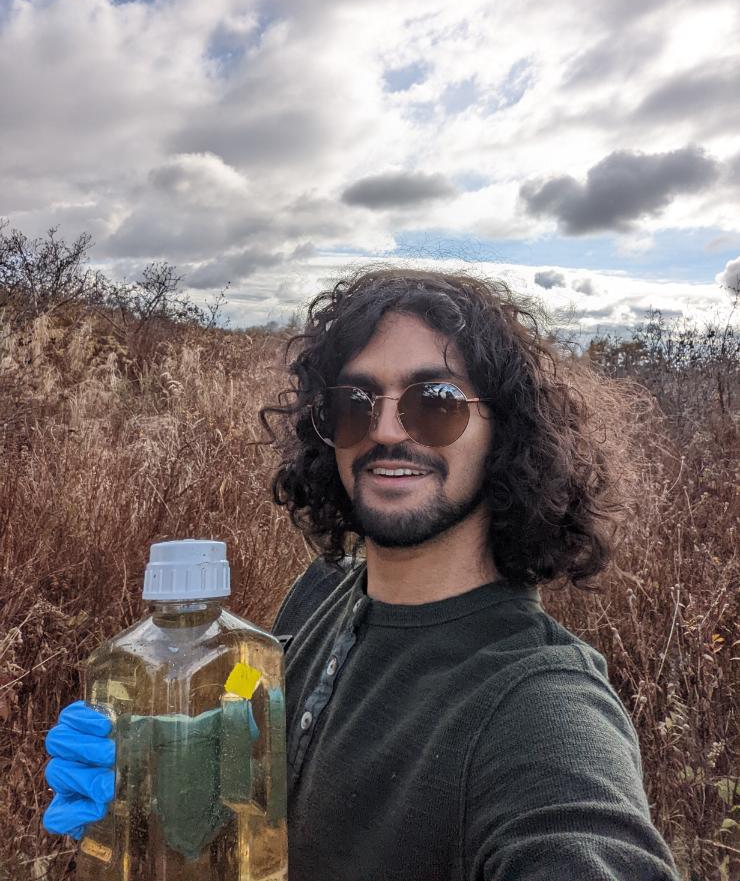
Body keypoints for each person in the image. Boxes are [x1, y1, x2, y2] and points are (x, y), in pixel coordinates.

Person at [43, 267, 680, 880]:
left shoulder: (535, 703)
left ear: (504, 430)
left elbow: (582, 840)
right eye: (355, 402)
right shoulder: (326, 588)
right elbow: (266, 752)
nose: (385, 431)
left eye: (435, 402)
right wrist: (169, 772)